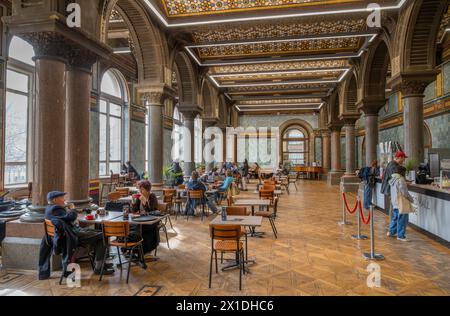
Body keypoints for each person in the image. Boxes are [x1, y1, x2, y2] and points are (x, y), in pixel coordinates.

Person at [43, 191, 114, 276]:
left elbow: (65, 219)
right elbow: (71, 217)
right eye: (62, 198)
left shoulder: (49, 208)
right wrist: (72, 208)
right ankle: (99, 267)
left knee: (100, 233)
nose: (64, 199)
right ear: (55, 200)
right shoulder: (56, 209)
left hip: (68, 234)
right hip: (71, 236)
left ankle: (100, 264)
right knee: (103, 235)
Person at [387, 166, 414, 241]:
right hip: (401, 203)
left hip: (395, 201)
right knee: (402, 218)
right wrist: (411, 199)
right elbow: (404, 192)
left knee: (395, 217)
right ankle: (401, 235)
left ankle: (391, 232)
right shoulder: (400, 179)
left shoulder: (393, 178)